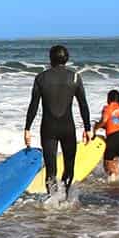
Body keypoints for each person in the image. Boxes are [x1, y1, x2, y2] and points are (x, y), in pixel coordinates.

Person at [24, 45, 92, 197]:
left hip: (48, 129)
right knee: (69, 167)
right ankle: (65, 198)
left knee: (51, 168)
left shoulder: (41, 78)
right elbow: (83, 105)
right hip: (68, 128)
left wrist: (27, 129)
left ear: (50, 58)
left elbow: (33, 105)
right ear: (66, 59)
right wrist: (88, 129)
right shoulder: (74, 77)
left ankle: (53, 200)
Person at [94, 89, 119, 181]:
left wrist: (95, 127)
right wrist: (103, 127)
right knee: (115, 161)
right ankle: (117, 180)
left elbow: (104, 121)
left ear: (109, 98)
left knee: (107, 163)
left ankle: (113, 184)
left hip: (114, 137)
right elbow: (115, 123)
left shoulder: (107, 108)